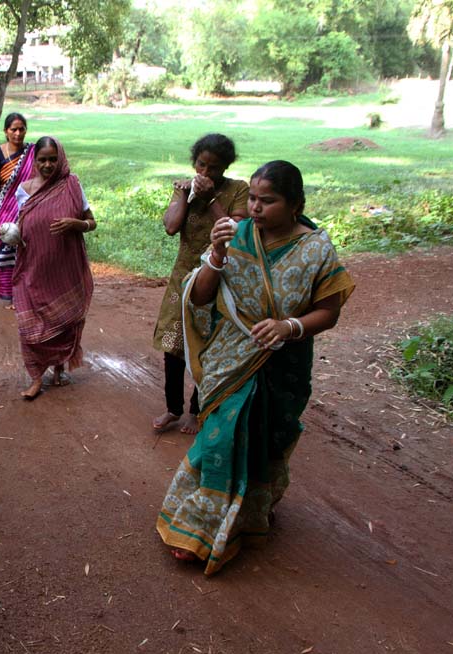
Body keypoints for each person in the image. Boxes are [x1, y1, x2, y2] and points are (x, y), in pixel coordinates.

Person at [155, 160, 355, 576]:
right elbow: (201, 299)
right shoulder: (237, 235)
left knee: (267, 438)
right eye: (253, 199)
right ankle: (198, 526)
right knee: (220, 438)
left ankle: (249, 512)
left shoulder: (316, 250)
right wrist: (217, 253)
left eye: (269, 200)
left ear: (296, 204)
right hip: (231, 360)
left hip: (283, 364)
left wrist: (289, 326)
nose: (257, 208)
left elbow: (329, 311)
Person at [152, 134, 249, 435]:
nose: (205, 174)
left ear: (226, 167)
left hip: (217, 275)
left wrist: (209, 199)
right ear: (194, 162)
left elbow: (235, 233)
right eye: (201, 165)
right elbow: (170, 227)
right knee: (173, 344)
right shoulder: (185, 188)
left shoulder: (238, 190)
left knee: (206, 345)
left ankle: (196, 410)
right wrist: (184, 195)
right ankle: (172, 409)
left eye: (214, 168)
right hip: (182, 276)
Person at [12, 136, 96, 400]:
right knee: (30, 325)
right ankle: (36, 377)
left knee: (64, 321)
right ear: (34, 161)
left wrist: (77, 224)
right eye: (42, 160)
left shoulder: (71, 184)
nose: (48, 165)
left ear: (60, 159)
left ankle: (59, 368)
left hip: (64, 269)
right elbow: (20, 226)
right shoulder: (24, 190)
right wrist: (11, 235)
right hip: (33, 267)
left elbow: (92, 221)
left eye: (52, 159)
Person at [0, 112, 33, 308]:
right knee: (5, 252)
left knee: (26, 252)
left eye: (22, 129)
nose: (18, 133)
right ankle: (8, 296)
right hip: (4, 209)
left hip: (27, 209)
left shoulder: (32, 153)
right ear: (6, 132)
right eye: (14, 129)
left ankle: (25, 294)